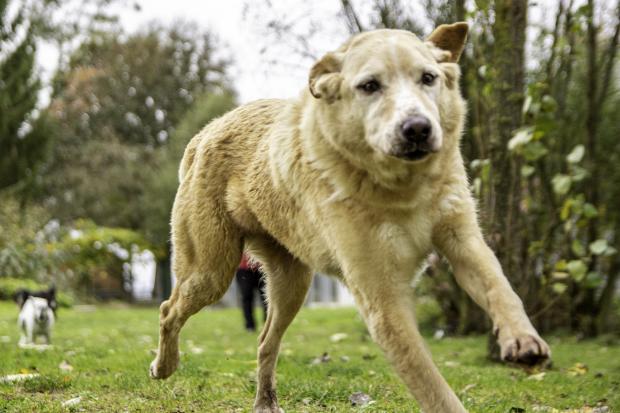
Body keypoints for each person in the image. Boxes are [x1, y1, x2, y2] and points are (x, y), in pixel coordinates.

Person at [235, 253, 267, 332]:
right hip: (244, 269)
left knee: (266, 298)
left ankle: (267, 325)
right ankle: (250, 326)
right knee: (246, 297)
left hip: (262, 268)